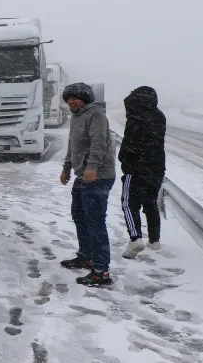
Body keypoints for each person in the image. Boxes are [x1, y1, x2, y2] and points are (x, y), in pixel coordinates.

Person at [59, 82, 117, 287]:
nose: (70, 101)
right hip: (82, 176)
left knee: (95, 221)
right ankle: (86, 256)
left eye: (74, 98)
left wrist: (92, 167)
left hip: (98, 176)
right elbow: (72, 146)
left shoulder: (95, 114)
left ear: (85, 98)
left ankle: (101, 271)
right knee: (79, 216)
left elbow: (99, 143)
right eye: (68, 98)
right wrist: (67, 168)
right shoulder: (76, 117)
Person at [118, 86, 166, 258]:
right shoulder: (159, 116)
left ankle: (135, 238)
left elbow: (129, 143)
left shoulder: (136, 118)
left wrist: (123, 158)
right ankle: (154, 240)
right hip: (156, 167)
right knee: (150, 202)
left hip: (135, 167)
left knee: (128, 203)